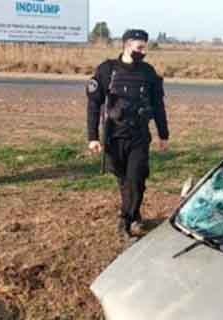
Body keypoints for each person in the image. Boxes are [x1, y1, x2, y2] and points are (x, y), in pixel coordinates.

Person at [86, 29, 170, 240]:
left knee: (135, 178)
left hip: (139, 137)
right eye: (139, 47)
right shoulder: (107, 70)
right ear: (127, 45)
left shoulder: (148, 73)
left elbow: (158, 106)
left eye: (145, 47)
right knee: (124, 180)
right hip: (114, 137)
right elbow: (94, 105)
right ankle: (134, 213)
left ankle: (125, 221)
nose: (143, 51)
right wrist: (93, 137)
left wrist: (163, 134)